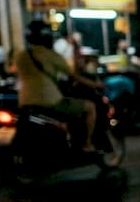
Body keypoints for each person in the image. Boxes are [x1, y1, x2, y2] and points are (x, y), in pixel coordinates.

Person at [12, 21, 100, 152]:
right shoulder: (50, 55)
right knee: (90, 107)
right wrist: (96, 84)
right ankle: (87, 144)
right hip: (50, 101)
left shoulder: (20, 56)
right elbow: (74, 75)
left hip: (25, 101)